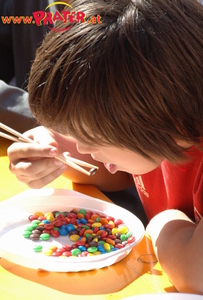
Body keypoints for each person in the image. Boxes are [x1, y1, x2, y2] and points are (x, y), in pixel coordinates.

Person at [7, 0, 203, 294]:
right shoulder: (158, 126)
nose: (82, 148)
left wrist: (165, 221)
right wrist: (56, 151)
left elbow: (197, 274)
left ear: (158, 117)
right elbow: (124, 174)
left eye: (93, 137)